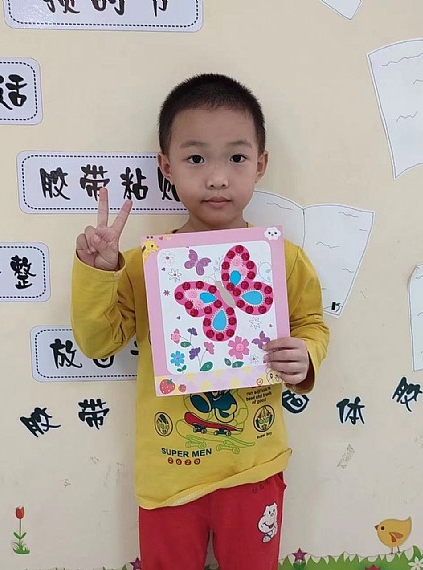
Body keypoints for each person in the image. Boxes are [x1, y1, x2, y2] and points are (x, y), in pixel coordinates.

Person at [71, 73, 330, 570]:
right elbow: (97, 341)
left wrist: (306, 355)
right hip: (170, 474)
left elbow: (312, 323)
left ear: (261, 164)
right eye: (196, 159)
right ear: (166, 166)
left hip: (253, 467)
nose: (216, 178)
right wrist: (99, 273)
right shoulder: (142, 266)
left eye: (236, 158)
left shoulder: (283, 259)